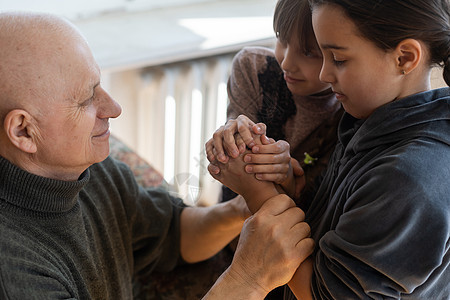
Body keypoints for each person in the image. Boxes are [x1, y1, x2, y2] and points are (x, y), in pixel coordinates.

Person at [0, 12, 315, 299]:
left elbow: (172, 234)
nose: (114, 108)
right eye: (86, 100)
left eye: (100, 85)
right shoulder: (14, 271)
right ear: (23, 131)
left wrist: (241, 207)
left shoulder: (89, 171)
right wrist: (249, 279)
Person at [210, 0, 450, 298]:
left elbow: (320, 292)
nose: (324, 74)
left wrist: (259, 191)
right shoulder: (369, 120)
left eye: (337, 58)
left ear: (404, 57)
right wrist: (284, 187)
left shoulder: (408, 179)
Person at [206, 0, 343, 208]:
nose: (286, 63)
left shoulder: (349, 108)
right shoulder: (254, 68)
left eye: (308, 53)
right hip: (231, 215)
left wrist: (287, 176)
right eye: (282, 40)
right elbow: (237, 164)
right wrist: (233, 138)